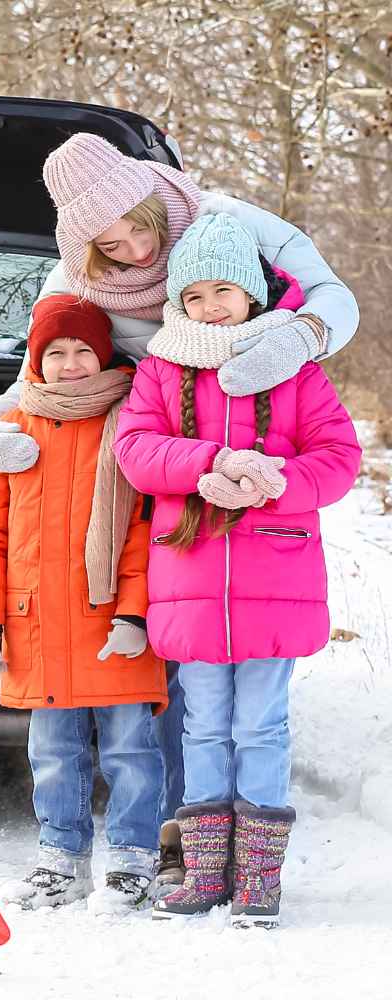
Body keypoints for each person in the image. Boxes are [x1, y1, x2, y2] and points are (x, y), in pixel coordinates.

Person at [0, 132, 359, 890]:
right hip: (163, 485)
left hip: (244, 509)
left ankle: (195, 841)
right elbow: (37, 383)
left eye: (139, 230)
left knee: (221, 706)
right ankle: (195, 848)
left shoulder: (226, 224)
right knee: (192, 694)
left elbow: (338, 306)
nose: (134, 251)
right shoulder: (79, 285)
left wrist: (297, 340)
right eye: (110, 246)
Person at [113, 213, 361, 927]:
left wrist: (276, 478)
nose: (210, 306)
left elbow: (339, 458)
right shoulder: (163, 367)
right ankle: (203, 869)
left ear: (251, 293)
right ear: (179, 304)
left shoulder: (295, 369)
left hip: (273, 583)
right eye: (194, 296)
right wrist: (208, 463)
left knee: (260, 727)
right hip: (190, 580)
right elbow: (135, 450)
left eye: (223, 290)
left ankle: (258, 875)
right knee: (202, 728)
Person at [0, 295, 167, 913]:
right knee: (53, 753)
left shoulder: (131, 422)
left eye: (84, 350)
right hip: (37, 621)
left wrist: (135, 614)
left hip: (111, 622)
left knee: (132, 750)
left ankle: (134, 862)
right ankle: (61, 861)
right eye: (56, 352)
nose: (72, 363)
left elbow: (144, 530)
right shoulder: (12, 432)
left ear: (104, 354)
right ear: (36, 360)